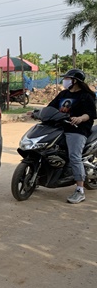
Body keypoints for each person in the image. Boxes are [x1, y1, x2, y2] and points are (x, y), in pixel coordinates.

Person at [47, 69, 96, 204]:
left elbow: (91, 114)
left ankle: (80, 190)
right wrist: (36, 112)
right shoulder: (63, 94)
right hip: (59, 127)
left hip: (77, 129)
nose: (65, 81)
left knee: (74, 156)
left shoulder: (86, 96)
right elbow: (51, 107)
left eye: (67, 78)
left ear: (75, 81)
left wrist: (80, 118)